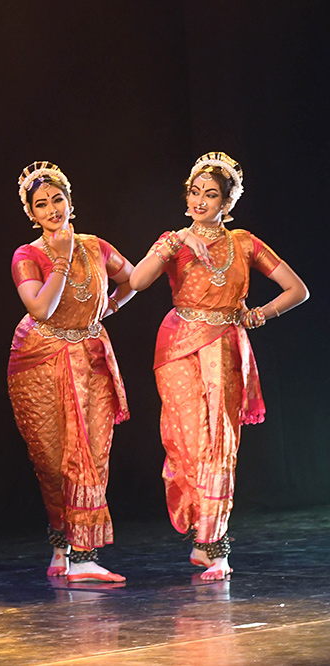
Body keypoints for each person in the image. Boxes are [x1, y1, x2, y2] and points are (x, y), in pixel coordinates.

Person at [128, 152, 308, 581]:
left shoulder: (244, 242)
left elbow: (296, 289)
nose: (201, 201)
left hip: (225, 346)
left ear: (227, 203)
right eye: (195, 192)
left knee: (218, 443)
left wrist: (259, 314)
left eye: (211, 195)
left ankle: (213, 545)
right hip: (176, 346)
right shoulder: (172, 240)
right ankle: (203, 537)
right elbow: (136, 281)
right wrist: (173, 242)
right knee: (187, 441)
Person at [7, 161, 136, 583]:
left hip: (91, 357)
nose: (51, 209)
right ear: (31, 213)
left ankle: (83, 556)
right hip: (40, 360)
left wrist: (109, 307)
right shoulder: (27, 255)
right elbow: (40, 308)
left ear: (70, 200)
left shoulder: (96, 246)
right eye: (40, 204)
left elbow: (133, 279)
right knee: (51, 460)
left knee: (92, 453)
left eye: (57, 199)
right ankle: (62, 543)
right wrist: (60, 261)